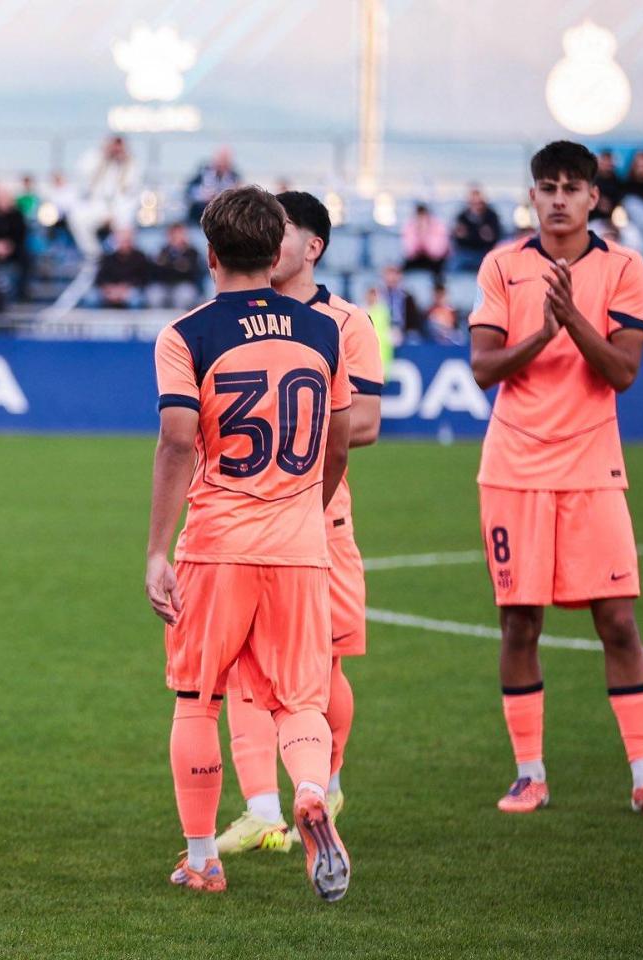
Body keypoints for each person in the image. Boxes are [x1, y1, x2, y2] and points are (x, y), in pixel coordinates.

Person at [468, 140, 643, 819]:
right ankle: (528, 774)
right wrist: (540, 334)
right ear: (531, 195)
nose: (558, 198)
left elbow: (621, 372)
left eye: (571, 187)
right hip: (514, 468)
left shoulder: (624, 267)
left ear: (595, 197)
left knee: (617, 621)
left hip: (593, 466)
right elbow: (484, 367)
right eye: (547, 187)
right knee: (519, 624)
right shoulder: (503, 265)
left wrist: (572, 321)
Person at [148, 185, 353, 902]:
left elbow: (177, 442)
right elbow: (342, 442)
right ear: (277, 254)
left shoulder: (188, 334)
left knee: (197, 698)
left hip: (218, 543)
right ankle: (309, 793)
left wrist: (154, 549)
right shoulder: (323, 331)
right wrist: (306, 509)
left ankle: (203, 859)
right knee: (299, 698)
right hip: (300, 546)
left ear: (210, 255)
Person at [213, 191, 382, 859]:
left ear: (312, 248)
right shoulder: (235, 321)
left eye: (282, 231)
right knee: (243, 667)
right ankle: (265, 809)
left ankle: (326, 787)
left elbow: (364, 423)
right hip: (251, 519)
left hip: (319, 513)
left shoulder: (344, 323)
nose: (268, 239)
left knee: (323, 666)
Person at [151, 223, 206, 309]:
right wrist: (177, 266)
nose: (177, 237)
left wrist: (171, 265)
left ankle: (179, 322)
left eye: (180, 234)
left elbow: (193, 272)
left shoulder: (192, 252)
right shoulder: (163, 251)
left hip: (184, 284)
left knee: (183, 296)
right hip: (165, 285)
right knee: (155, 295)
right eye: (174, 234)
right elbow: (158, 271)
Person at [94, 227, 152, 308]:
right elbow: (100, 278)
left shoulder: (141, 257)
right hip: (111, 290)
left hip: (131, 289)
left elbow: (144, 278)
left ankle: (134, 320)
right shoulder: (108, 258)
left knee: (135, 299)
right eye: (121, 241)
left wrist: (125, 288)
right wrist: (109, 288)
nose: (124, 244)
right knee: (92, 298)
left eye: (126, 241)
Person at [450, 187, 503, 272]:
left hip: (484, 253)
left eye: (479, 203)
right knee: (453, 266)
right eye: (473, 203)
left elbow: (495, 237)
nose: (476, 206)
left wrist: (470, 235)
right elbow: (458, 239)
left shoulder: (491, 216)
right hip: (466, 253)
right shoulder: (462, 216)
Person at [376, 265, 424, 343]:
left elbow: (413, 320)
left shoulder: (407, 297)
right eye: (388, 274)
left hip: (403, 331)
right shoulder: (378, 296)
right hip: (384, 329)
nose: (391, 278)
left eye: (394, 274)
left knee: (413, 339)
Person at [401, 202, 450, 276]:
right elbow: (409, 250)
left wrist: (425, 234)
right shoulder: (410, 226)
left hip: (434, 258)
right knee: (404, 268)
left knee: (437, 268)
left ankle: (438, 286)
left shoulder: (437, 226)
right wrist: (419, 234)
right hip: (417, 257)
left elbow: (438, 250)